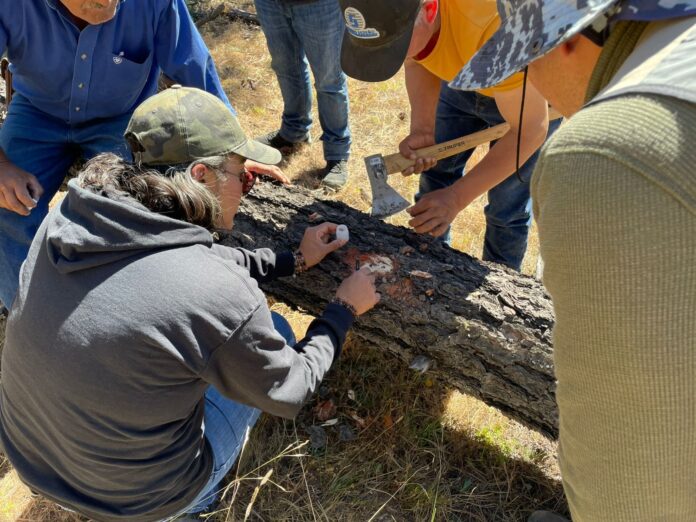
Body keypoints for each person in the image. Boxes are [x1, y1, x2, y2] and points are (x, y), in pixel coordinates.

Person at [0, 86, 380, 521]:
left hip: (33, 462)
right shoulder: (217, 293)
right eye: (241, 174)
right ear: (201, 175)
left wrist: (292, 260)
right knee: (275, 329)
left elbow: (174, 259)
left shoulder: (70, 216)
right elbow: (292, 388)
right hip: (139, 501)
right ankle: (194, 505)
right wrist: (343, 309)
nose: (246, 186)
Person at [453, 1, 696, 521]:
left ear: (564, 38)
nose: (533, 84)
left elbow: (625, 459)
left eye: (526, 60)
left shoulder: (606, 156)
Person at [0, 0, 286, 310]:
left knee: (145, 211)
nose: (111, 3)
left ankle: (130, 312)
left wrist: (232, 149)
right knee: (7, 208)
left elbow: (194, 68)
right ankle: (25, 314)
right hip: (37, 112)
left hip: (122, 119)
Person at [339, 0, 560, 271]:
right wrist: (423, 128)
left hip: (528, 88)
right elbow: (416, 59)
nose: (390, 56)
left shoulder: (495, 26)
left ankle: (499, 280)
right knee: (436, 178)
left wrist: (456, 198)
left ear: (430, 9)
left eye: (395, 46)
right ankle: (430, 268)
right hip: (464, 75)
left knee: (506, 208)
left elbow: (529, 131)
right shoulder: (407, 18)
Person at [254, 0, 352, 190]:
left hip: (319, 4)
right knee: (286, 68)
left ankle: (337, 154)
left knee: (329, 81)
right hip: (270, 4)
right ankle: (293, 132)